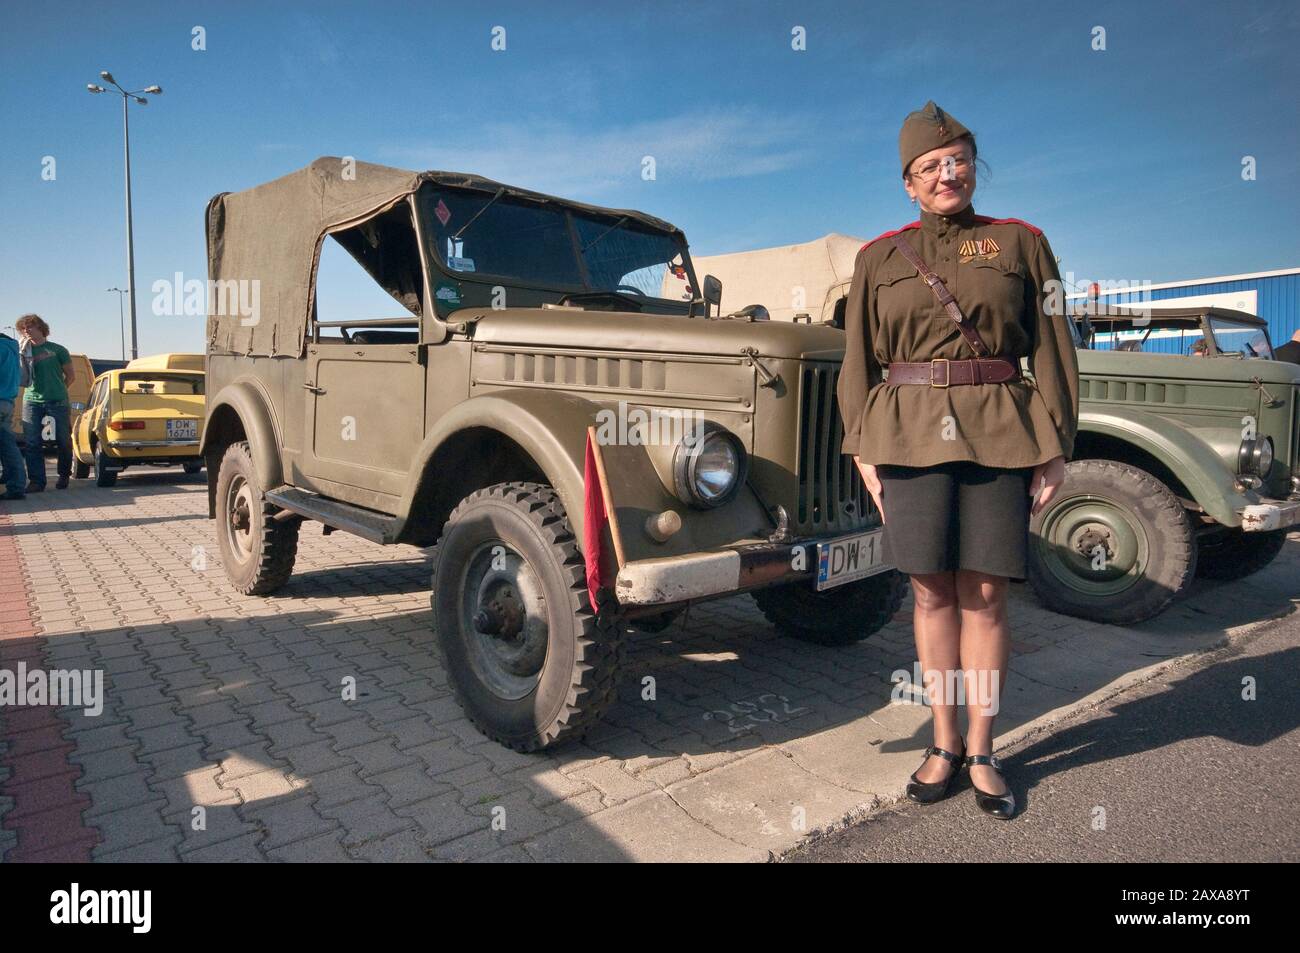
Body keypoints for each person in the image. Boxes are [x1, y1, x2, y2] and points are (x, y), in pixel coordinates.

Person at [836, 102, 1079, 819]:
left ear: (973, 166)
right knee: (931, 594)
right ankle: (941, 741)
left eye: (959, 159)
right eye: (930, 167)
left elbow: (1055, 345)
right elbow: (858, 359)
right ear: (908, 184)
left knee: (986, 595)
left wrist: (1057, 441)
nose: (948, 173)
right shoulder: (876, 258)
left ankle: (983, 746)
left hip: (999, 431)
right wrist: (862, 446)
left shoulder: (1022, 243)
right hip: (908, 434)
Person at [16, 314, 75, 492]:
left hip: (57, 400)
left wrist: (59, 390)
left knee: (63, 440)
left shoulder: (58, 350)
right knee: (32, 442)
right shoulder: (23, 351)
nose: (27, 331)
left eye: (30, 327)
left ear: (41, 328)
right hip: (32, 400)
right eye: (23, 329)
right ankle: (36, 481)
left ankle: (64, 474)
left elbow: (71, 376)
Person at [0, 325, 29, 500]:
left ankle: (16, 485)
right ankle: (16, 483)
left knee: (7, 445)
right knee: (7, 444)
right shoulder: (11, 348)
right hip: (7, 401)